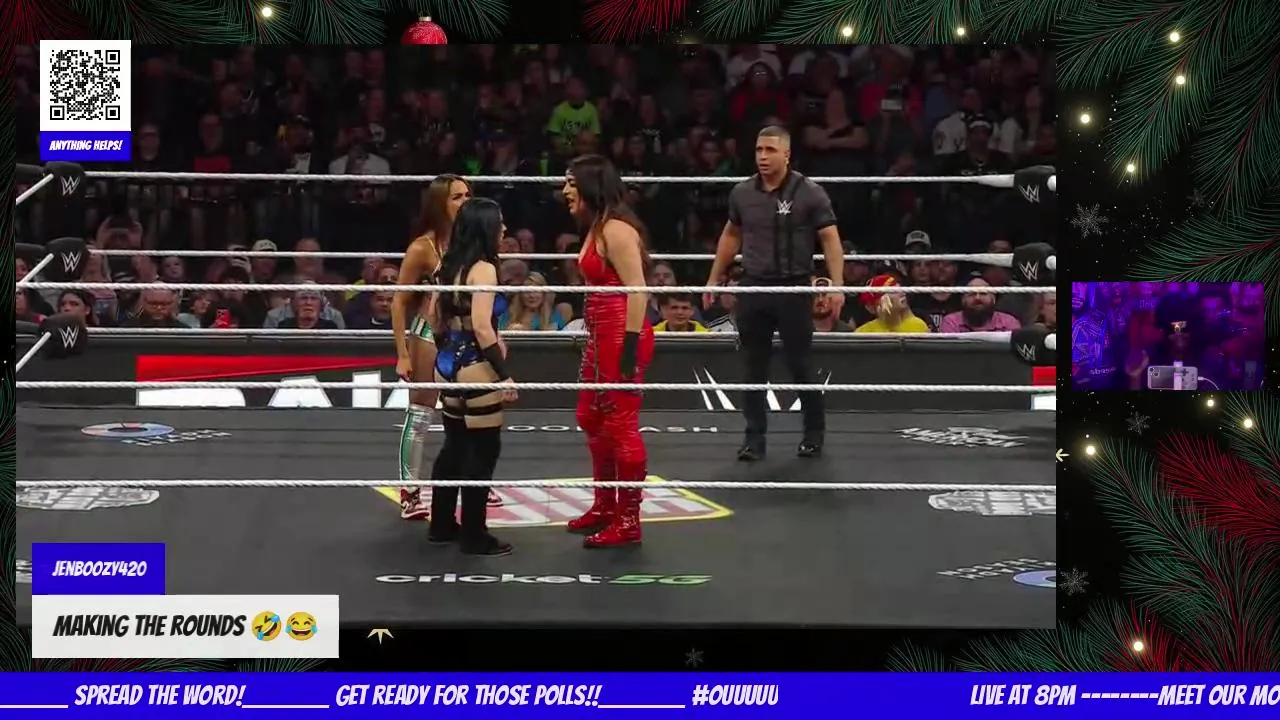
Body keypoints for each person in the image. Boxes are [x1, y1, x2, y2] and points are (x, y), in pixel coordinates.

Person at [704, 126, 845, 461]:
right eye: (758, 150)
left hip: (794, 287)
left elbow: (830, 238)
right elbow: (731, 235)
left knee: (800, 364)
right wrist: (713, 278)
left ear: (786, 154)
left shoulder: (809, 192)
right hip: (753, 285)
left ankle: (813, 434)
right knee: (753, 366)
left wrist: (837, 284)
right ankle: (753, 439)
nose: (763, 157)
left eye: (770, 150)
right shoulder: (742, 193)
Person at [392, 174, 503, 520]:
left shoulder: (473, 241)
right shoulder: (423, 247)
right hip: (431, 333)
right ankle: (410, 491)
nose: (465, 201)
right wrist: (402, 353)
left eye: (468, 195)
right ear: (440, 203)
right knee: (421, 412)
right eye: (457, 197)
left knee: (471, 415)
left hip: (468, 338)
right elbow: (399, 301)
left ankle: (475, 480)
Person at [561, 154, 655, 549]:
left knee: (620, 424)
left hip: (621, 335)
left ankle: (628, 520)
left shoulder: (616, 230)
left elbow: (638, 290)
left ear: (589, 185)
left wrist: (629, 348)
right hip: (600, 336)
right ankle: (605, 506)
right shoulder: (597, 226)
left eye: (571, 183)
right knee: (591, 416)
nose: (565, 191)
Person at [424, 197, 516, 556]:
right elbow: (482, 326)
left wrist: (447, 352)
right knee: (483, 448)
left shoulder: (448, 266)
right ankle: (475, 535)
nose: (504, 229)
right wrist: (503, 375)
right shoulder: (483, 269)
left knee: (455, 445)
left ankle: (442, 525)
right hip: (476, 364)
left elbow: (434, 318)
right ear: (486, 228)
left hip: (448, 362)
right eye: (500, 223)